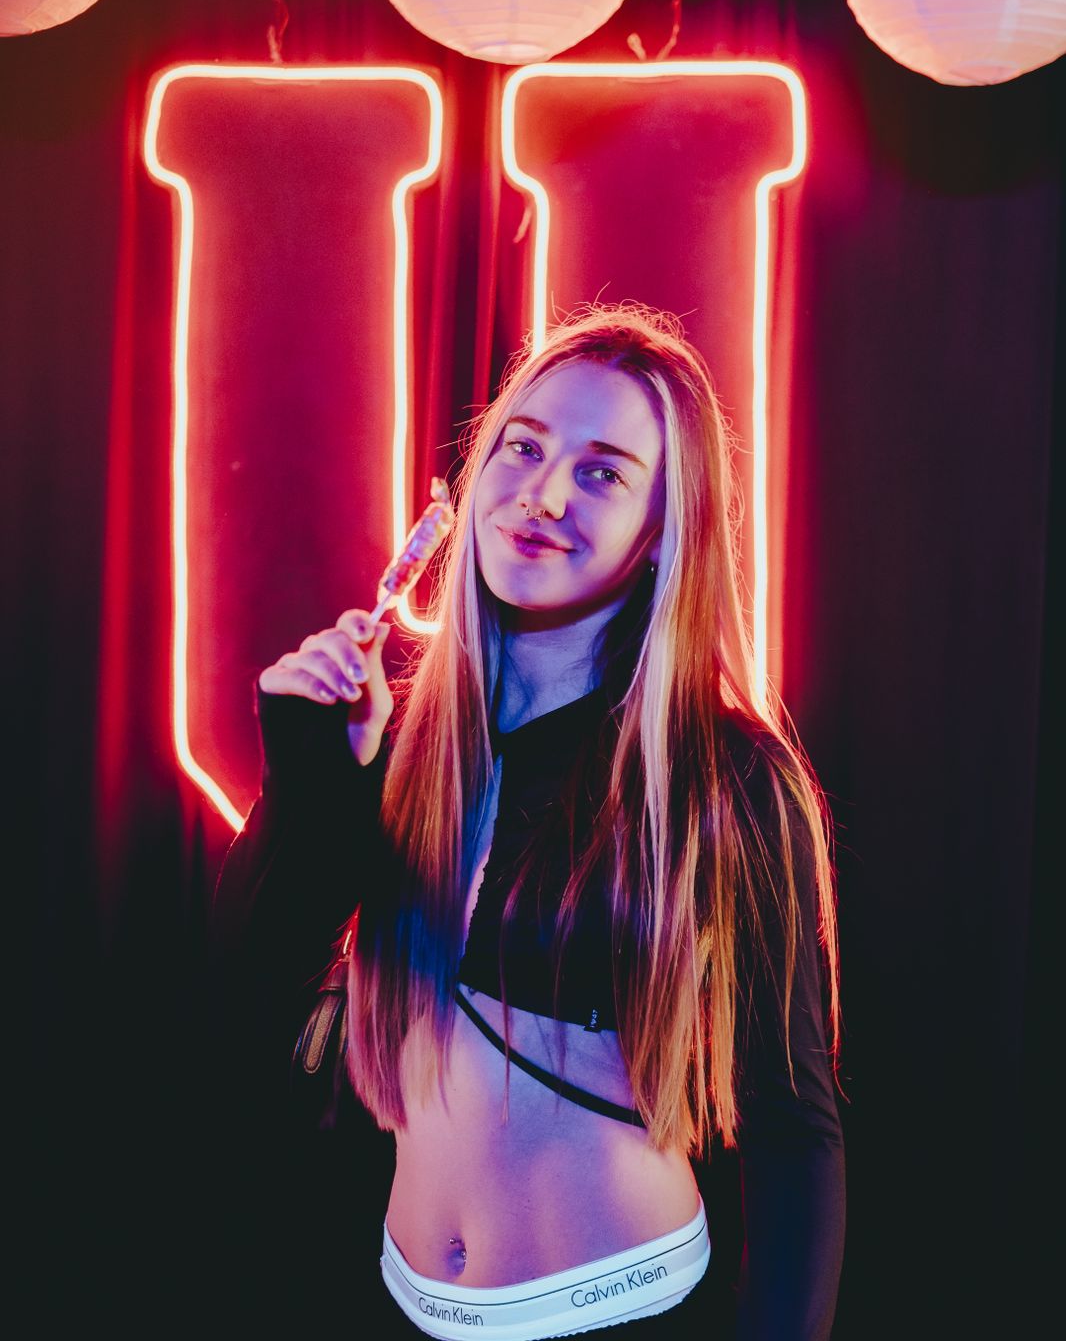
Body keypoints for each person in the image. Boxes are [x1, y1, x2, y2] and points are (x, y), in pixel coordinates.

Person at [212, 304, 845, 1340]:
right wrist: (310, 773)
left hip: (621, 1311)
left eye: (603, 472)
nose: (544, 494)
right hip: (389, 1295)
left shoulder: (724, 776)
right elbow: (247, 976)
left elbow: (794, 1130)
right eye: (523, 446)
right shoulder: (401, 738)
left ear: (661, 533)